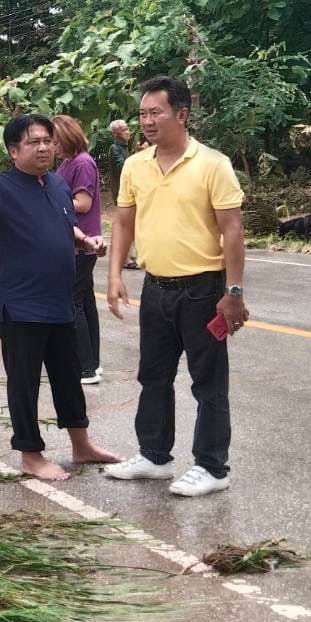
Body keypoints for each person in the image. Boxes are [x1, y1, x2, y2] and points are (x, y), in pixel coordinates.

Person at [0, 114, 119, 481]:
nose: (44, 147)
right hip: (20, 304)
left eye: (48, 141)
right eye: (34, 142)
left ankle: (81, 445)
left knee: (68, 377)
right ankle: (31, 455)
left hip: (59, 301)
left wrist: (86, 241)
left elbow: (64, 223)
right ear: (13, 150)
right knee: (24, 381)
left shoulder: (56, 183)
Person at [104, 75, 248, 498]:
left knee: (208, 382)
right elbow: (124, 222)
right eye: (143, 113)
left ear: (182, 114)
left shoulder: (213, 164)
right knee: (153, 375)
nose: (148, 121)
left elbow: (233, 231)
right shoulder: (135, 165)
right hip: (156, 289)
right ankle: (154, 456)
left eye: (157, 113)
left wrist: (233, 292)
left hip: (204, 290)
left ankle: (212, 466)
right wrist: (114, 274)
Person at [53, 116, 104, 385]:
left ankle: (85, 367)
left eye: (55, 141)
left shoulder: (82, 163)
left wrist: (49, 202)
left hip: (82, 243)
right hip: (74, 242)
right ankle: (93, 362)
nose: (52, 146)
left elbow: (83, 203)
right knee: (84, 301)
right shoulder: (67, 163)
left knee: (73, 302)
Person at [108, 120, 137, 269]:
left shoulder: (125, 147)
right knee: (125, 224)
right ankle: (124, 258)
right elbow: (123, 167)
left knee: (132, 223)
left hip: (129, 190)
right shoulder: (114, 148)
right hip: (121, 191)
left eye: (127, 129)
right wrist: (138, 156)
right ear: (116, 134)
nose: (128, 132)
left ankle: (130, 255)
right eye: (124, 130)